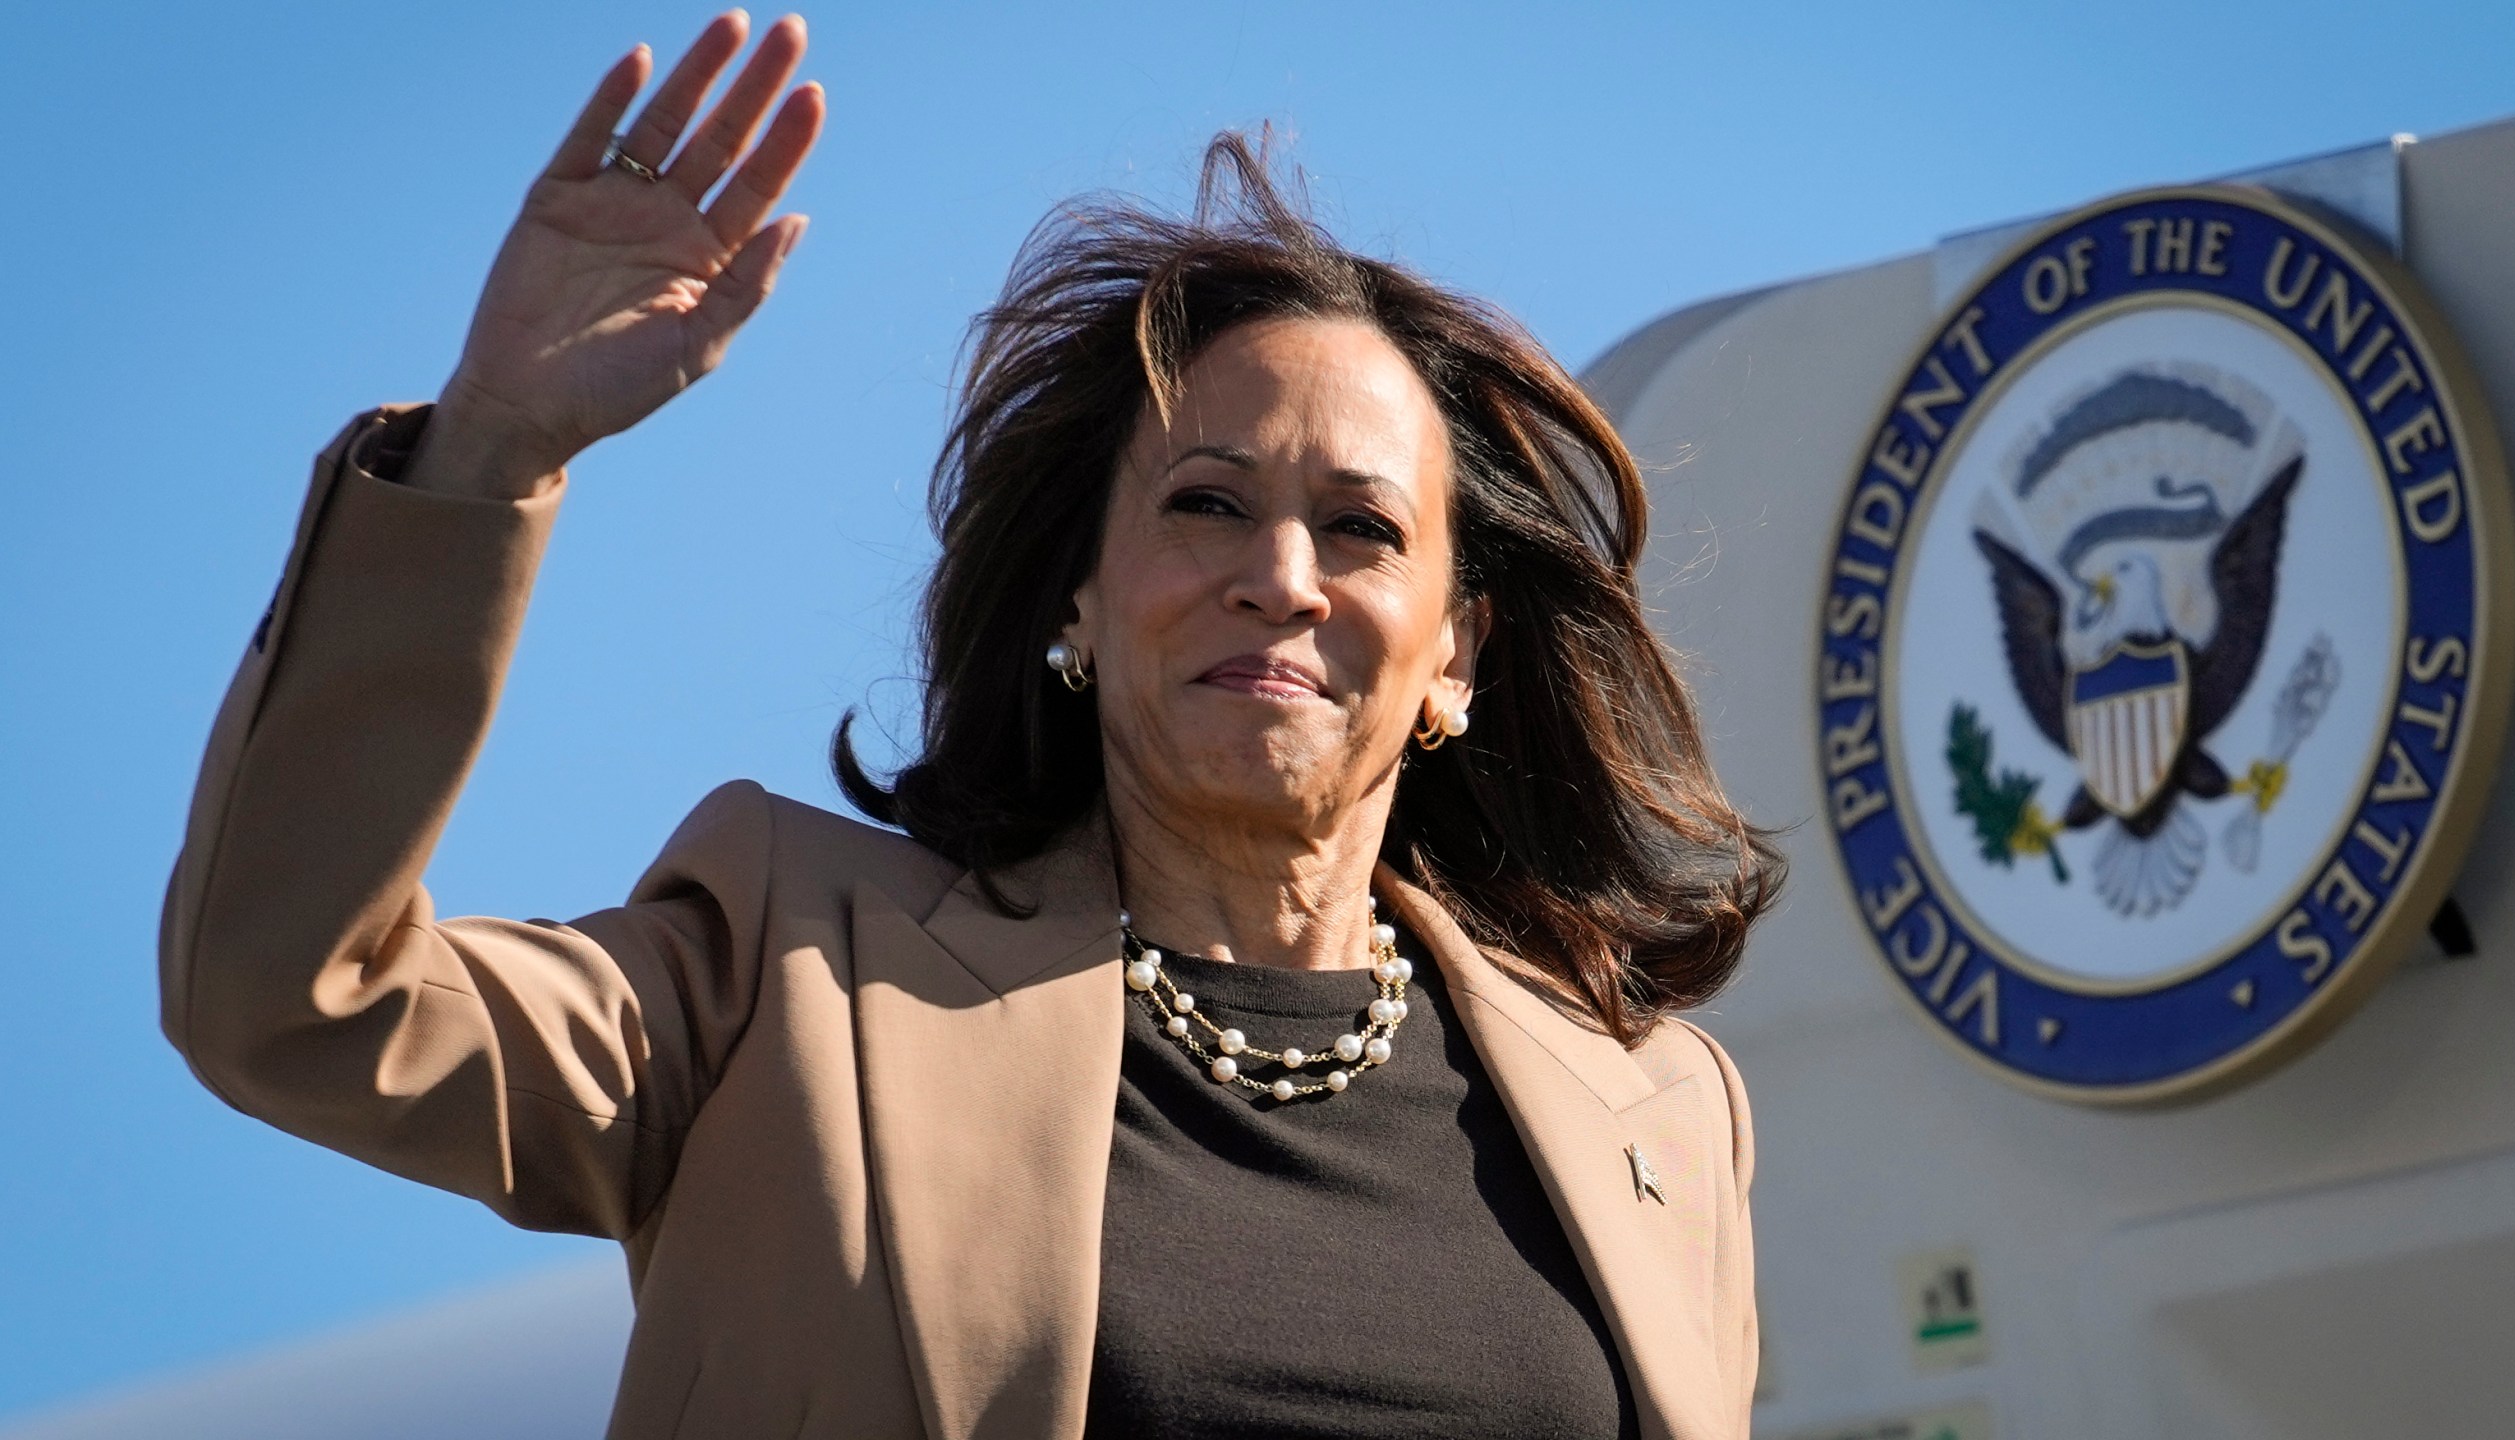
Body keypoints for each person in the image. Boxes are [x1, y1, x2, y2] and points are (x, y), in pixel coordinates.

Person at [159, 12, 1782, 1438]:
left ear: (1457, 658)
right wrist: (488, 448)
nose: (1280, 577)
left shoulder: (1653, 1111)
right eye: (1206, 503)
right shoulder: (792, 975)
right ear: (1076, 601)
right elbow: (296, 997)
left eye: (1360, 528)